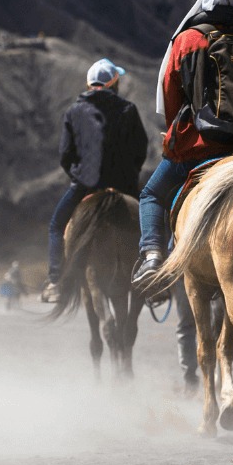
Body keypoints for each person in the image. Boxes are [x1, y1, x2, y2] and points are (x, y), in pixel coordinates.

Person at [130, 0, 233, 293]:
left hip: (201, 146)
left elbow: (171, 95)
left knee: (151, 194)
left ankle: (153, 256)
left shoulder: (188, 39)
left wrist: (176, 134)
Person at [44, 57, 149, 302]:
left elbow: (65, 155)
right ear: (114, 83)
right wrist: (129, 176)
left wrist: (80, 178)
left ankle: (55, 282)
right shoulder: (128, 109)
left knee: (56, 227)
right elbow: (140, 150)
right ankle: (154, 278)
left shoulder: (73, 111)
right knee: (152, 220)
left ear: (89, 84)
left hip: (85, 185)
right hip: (124, 185)